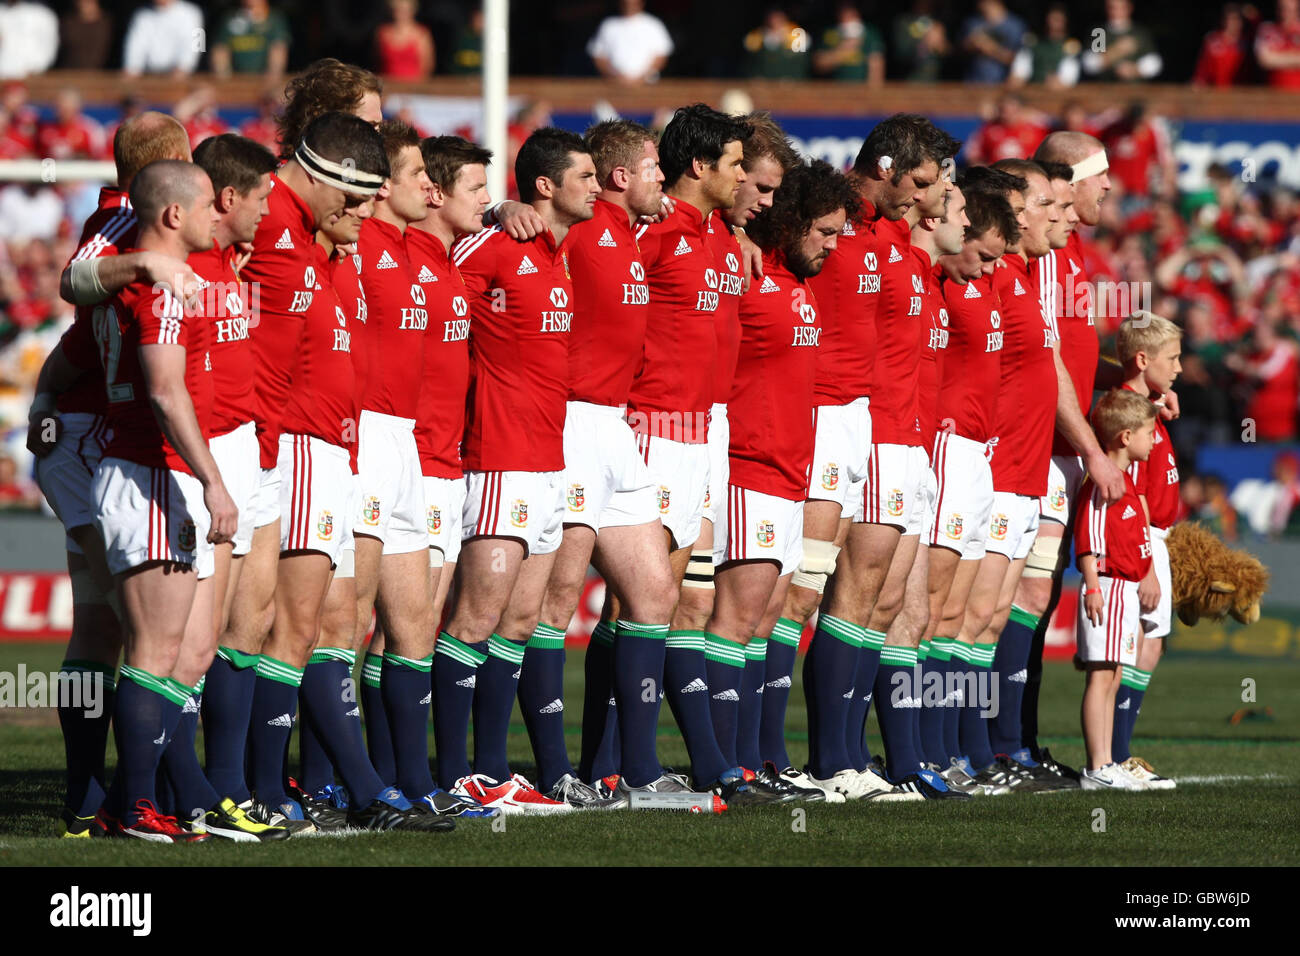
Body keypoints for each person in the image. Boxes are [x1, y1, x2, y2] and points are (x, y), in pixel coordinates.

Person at [27, 111, 194, 838]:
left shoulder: (133, 218)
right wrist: (147, 263)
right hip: (99, 437)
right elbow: (74, 281)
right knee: (136, 628)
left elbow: (74, 343)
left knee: (106, 625)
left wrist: (39, 397)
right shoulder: (126, 217)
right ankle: (128, 796)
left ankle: (95, 797)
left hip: (86, 428)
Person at [71, 159, 249, 840]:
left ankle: (134, 800)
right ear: (173, 215)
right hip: (148, 469)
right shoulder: (168, 288)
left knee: (174, 653)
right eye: (206, 204)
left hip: (151, 471)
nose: (216, 215)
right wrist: (213, 479)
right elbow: (166, 390)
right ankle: (139, 804)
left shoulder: (156, 279)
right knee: (153, 651)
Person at [523, 119, 680, 804]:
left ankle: (635, 771)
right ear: (620, 177)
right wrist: (512, 209)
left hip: (617, 426)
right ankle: (556, 771)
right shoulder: (577, 227)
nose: (664, 183)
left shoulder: (628, 232)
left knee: (653, 594)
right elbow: (521, 233)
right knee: (555, 601)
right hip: (571, 421)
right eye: (654, 170)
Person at [442, 127, 598, 814]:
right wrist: (493, 209)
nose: (597, 186)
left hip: (546, 458)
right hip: (499, 456)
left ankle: (489, 768)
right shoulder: (496, 242)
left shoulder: (556, 253)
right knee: (475, 616)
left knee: (522, 617)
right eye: (586, 175)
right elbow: (442, 285)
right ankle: (450, 774)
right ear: (545, 185)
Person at [705, 158, 861, 804]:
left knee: (767, 619)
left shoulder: (795, 281)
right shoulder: (748, 273)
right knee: (736, 619)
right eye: (824, 231)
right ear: (791, 223)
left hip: (788, 471)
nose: (833, 244)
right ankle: (727, 768)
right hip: (747, 465)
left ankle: (753, 762)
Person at [950, 160, 1058, 793]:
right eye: (1037, 206)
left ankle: (978, 751)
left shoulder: (1015, 277)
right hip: (982, 464)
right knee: (958, 617)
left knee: (987, 618)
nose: (1047, 218)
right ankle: (952, 753)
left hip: (1018, 470)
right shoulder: (978, 275)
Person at [405, 134, 500, 818]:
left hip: (449, 464)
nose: (486, 201)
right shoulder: (404, 255)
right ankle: (374, 777)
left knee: (412, 626)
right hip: (405, 464)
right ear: (435, 192)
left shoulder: (448, 260)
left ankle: (410, 777)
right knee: (375, 628)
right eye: (476, 189)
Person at [926, 188, 1018, 792]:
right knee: (931, 612)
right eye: (983, 255)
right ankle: (926, 752)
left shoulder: (982, 283)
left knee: (964, 613)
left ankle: (954, 752)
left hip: (981, 454)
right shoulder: (938, 279)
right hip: (945, 448)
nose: (990, 268)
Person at [1111, 312, 1181, 790]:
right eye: (1172, 358)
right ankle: (1115, 754)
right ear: (1143, 359)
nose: (1178, 368)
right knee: (1134, 646)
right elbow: (1131, 494)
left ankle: (1122, 752)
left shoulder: (1147, 405)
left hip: (1158, 534)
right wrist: (1145, 567)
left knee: (1148, 646)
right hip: (1143, 537)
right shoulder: (1131, 415)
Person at [1074, 388, 1156, 791]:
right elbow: (1087, 536)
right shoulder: (1101, 482)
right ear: (1126, 437)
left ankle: (1108, 761)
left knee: (1116, 674)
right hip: (1106, 587)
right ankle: (1097, 766)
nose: (1153, 439)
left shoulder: (1126, 479)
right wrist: (1092, 587)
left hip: (1125, 588)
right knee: (1101, 677)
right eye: (1149, 432)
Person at [587, 0, 673, 85]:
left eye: (633, 3)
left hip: (647, 84)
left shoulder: (653, 25)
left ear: (641, 3)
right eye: (626, 3)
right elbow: (598, 55)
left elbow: (662, 55)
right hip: (614, 84)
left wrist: (642, 78)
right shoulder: (608, 25)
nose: (629, 6)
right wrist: (615, 76)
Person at [1081, 0, 1162, 82]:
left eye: (1121, 7)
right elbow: (1089, 64)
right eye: (1112, 8)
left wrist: (1134, 70)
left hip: (1136, 89)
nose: (1116, 12)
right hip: (1105, 88)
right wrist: (1117, 51)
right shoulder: (1100, 33)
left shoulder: (1139, 32)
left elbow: (1154, 63)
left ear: (1129, 8)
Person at [122, 0, 205, 78]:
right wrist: (132, 71)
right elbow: (134, 49)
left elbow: (197, 47)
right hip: (148, 77)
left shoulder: (194, 12)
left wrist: (183, 69)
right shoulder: (141, 15)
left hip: (184, 77)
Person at [211, 0, 291, 81]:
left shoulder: (275, 19)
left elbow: (278, 50)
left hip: (264, 80)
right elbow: (220, 49)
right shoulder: (230, 18)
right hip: (235, 80)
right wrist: (224, 77)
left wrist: (272, 77)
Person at [813, 3, 885, 84]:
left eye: (850, 9)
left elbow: (876, 68)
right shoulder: (829, 32)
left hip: (861, 90)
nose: (846, 14)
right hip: (834, 91)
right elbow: (819, 64)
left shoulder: (870, 33)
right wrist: (844, 49)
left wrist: (872, 94)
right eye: (843, 9)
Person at [960, 0, 1026, 84]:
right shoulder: (972, 23)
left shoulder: (1015, 26)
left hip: (1002, 83)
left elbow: (1021, 60)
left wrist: (991, 48)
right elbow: (958, 51)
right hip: (973, 82)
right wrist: (972, 45)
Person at [375, 0, 435, 79]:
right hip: (387, 84)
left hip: (414, 86)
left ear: (412, 10)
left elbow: (427, 66)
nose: (400, 13)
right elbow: (376, 62)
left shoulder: (422, 34)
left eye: (404, 10)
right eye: (397, 10)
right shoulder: (382, 32)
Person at [1255, 0, 1300, 89]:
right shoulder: (1266, 29)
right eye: (1282, 8)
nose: (1284, 13)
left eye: (1288, 9)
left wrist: (1277, 56)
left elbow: (1270, 58)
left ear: (1296, 9)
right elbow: (1264, 60)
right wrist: (1294, 56)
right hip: (1273, 94)